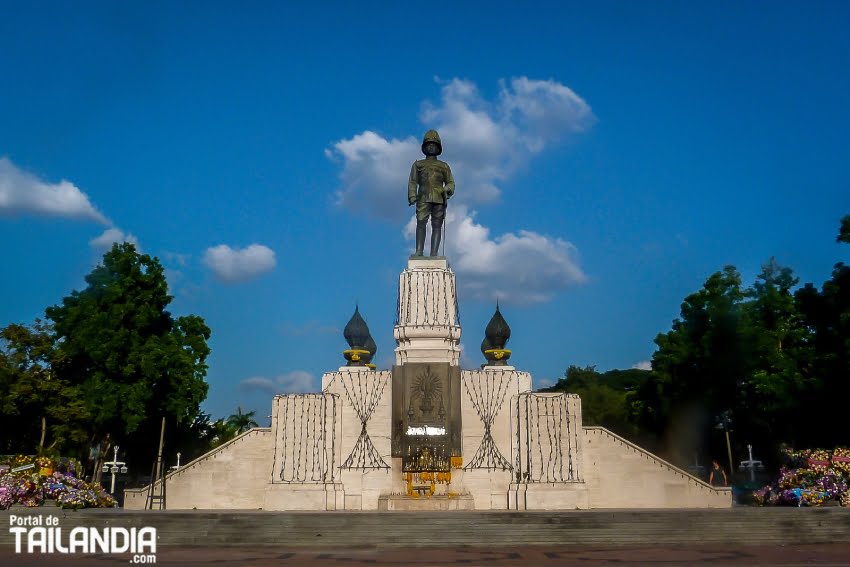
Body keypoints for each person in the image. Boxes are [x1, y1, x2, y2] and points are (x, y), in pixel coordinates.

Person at [408, 130, 455, 256]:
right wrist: (412, 195)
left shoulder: (444, 166)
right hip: (423, 197)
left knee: (437, 225)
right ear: (424, 147)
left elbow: (450, 182)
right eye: (429, 144)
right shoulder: (418, 164)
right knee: (421, 221)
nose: (431, 146)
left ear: (438, 147)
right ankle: (419, 251)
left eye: (434, 144)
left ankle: (434, 253)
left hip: (439, 198)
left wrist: (448, 189)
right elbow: (413, 181)